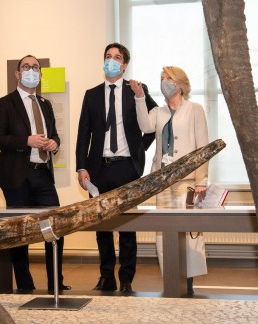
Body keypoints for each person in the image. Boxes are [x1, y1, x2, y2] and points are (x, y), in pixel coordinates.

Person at [75, 43, 157, 292]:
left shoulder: (137, 91)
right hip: (98, 169)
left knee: (127, 227)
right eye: (108, 57)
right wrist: (81, 167)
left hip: (126, 168)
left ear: (124, 64)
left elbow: (154, 122)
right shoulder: (91, 94)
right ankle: (106, 276)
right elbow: (83, 134)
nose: (112, 61)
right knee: (102, 226)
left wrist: (139, 149)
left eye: (117, 57)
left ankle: (126, 278)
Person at [0, 55, 70, 291]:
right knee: (20, 234)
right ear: (17, 74)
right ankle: (25, 284)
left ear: (41, 74)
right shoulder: (4, 103)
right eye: (26, 67)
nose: (31, 71)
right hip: (16, 177)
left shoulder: (45, 104)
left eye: (35, 67)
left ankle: (56, 281)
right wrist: (27, 140)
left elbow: (54, 134)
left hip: (43, 175)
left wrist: (54, 143)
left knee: (55, 228)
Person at [130, 66, 209, 295]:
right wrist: (139, 98)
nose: (164, 82)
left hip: (188, 181)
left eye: (168, 79)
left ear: (180, 84)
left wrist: (202, 180)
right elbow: (145, 126)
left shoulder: (195, 110)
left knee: (190, 232)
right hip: (162, 182)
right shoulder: (159, 112)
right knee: (163, 232)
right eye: (161, 78)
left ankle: (189, 281)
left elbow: (203, 147)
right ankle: (171, 279)